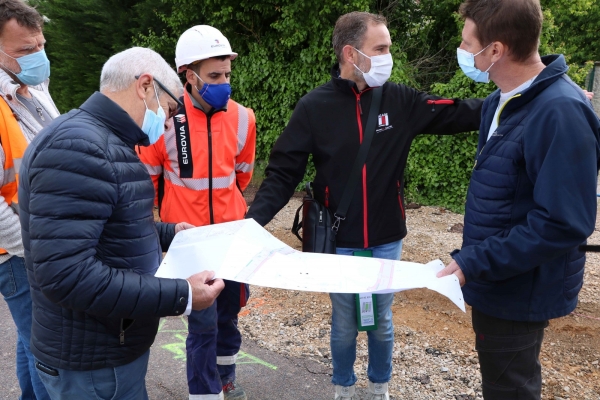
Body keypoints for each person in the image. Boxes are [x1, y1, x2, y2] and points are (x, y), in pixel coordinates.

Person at [246, 11, 482, 400]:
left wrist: (522, 98)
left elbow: (463, 111)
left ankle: (379, 387)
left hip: (387, 238)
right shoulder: (314, 106)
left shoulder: (400, 100)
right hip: (339, 241)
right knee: (343, 323)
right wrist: (250, 224)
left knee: (381, 322)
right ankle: (342, 387)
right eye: (382, 48)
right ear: (352, 54)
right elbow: (282, 174)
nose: (389, 56)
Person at [18, 47, 225, 400]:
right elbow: (68, 276)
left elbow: (105, 224)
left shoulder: (99, 139)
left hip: (105, 350)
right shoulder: (79, 148)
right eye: (171, 108)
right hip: (94, 364)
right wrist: (183, 294)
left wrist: (170, 233)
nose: (170, 120)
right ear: (145, 85)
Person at [436, 0, 600, 399]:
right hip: (496, 278)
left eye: (466, 41)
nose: (462, 50)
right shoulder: (501, 100)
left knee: (510, 389)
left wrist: (473, 260)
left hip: (519, 287)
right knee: (501, 382)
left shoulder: (559, 111)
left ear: (495, 50)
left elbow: (563, 222)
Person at [139, 25, 256, 400]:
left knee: (229, 315)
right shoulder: (165, 121)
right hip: (188, 241)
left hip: (232, 238)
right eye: (214, 76)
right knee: (202, 324)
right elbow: (148, 184)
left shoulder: (243, 118)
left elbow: (242, 176)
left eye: (227, 75)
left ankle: (226, 377)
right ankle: (205, 394)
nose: (224, 83)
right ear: (189, 75)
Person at [0, 1, 59, 398]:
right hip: (20, 251)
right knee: (49, 350)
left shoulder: (30, 86)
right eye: (24, 51)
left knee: (31, 337)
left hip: (39, 239)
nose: (37, 56)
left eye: (39, 45)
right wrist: (29, 247)